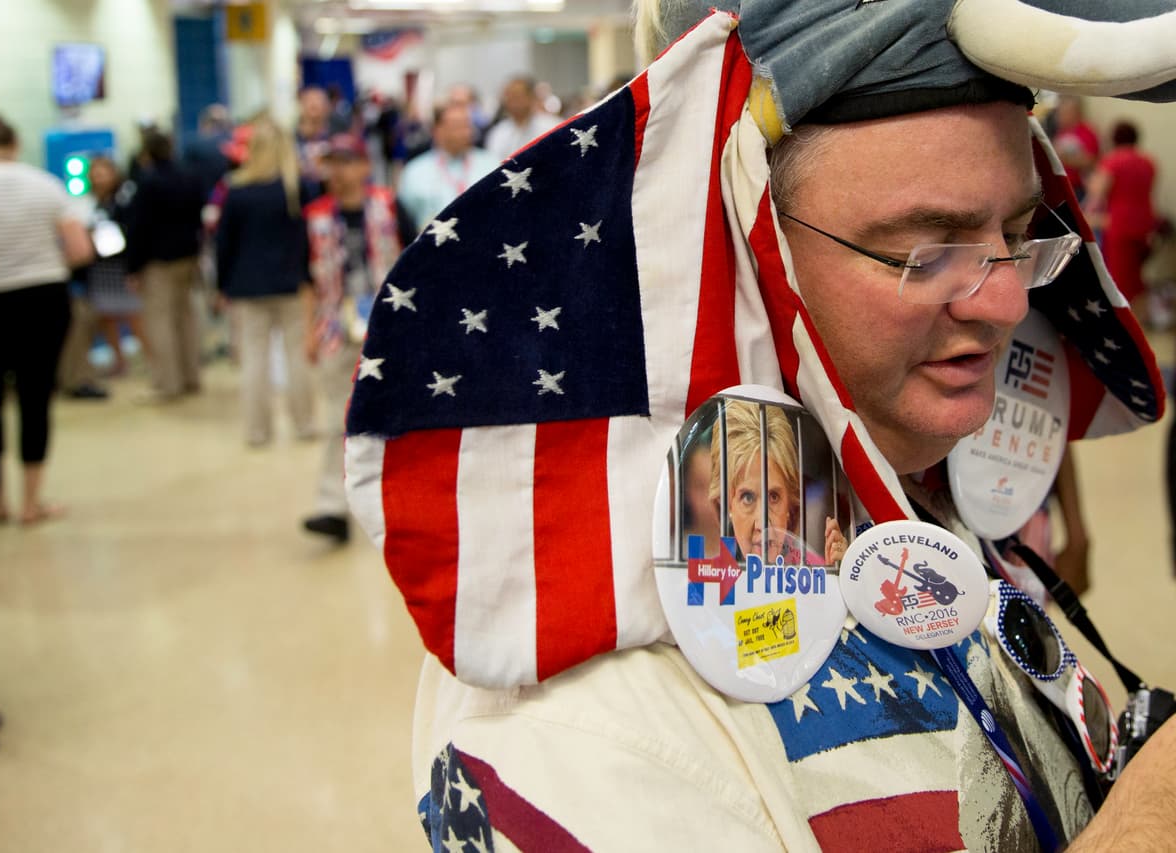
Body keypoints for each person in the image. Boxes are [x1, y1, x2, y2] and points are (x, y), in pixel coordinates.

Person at [346, 3, 1176, 850]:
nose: (1006, 302)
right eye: (924, 252)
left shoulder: (913, 484)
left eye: (1019, 233)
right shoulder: (579, 719)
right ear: (750, 240)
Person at [0, 109, 94, 525]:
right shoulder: (47, 187)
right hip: (44, 300)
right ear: (15, 144)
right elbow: (80, 249)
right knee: (35, 398)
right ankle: (32, 501)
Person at [301, 132, 418, 541]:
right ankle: (332, 507)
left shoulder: (387, 206)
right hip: (336, 326)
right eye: (332, 162)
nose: (340, 171)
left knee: (394, 417)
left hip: (388, 326)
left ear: (365, 166)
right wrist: (309, 332)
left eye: (348, 161)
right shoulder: (314, 215)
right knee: (338, 418)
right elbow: (305, 279)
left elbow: (414, 260)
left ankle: (400, 504)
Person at [215, 118, 317, 447]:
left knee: (254, 361)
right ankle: (304, 424)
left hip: (247, 285)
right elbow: (308, 240)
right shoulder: (294, 190)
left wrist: (222, 285)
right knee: (297, 358)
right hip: (290, 284)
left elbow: (224, 243)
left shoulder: (237, 191)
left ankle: (258, 432)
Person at [709, 401, 847, 566]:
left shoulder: (816, 573)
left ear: (790, 505)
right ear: (727, 505)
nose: (763, 525)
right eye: (747, 497)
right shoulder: (706, 582)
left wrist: (840, 577)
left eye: (773, 497)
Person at [125, 129, 206, 402]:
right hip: (188, 256)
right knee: (186, 317)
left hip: (157, 261)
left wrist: (132, 267)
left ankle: (169, 383)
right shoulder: (190, 176)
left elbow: (139, 227)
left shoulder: (147, 182)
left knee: (160, 322)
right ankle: (191, 376)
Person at [1085, 121, 1160, 309]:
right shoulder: (1148, 162)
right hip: (1145, 222)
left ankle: (1126, 321)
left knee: (1119, 279)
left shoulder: (1113, 161)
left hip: (1121, 224)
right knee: (1136, 276)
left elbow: (1099, 191)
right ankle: (1140, 320)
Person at [85, 156, 147, 377]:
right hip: (102, 266)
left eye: (103, 172)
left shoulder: (124, 198)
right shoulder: (93, 202)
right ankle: (119, 361)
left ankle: (150, 358)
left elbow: (132, 230)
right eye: (96, 173)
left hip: (122, 264)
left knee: (133, 314)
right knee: (107, 316)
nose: (99, 178)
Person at [396, 102, 500, 231]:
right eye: (457, 126)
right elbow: (405, 222)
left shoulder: (491, 164)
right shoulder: (414, 172)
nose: (466, 133)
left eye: (467, 125)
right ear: (437, 131)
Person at [484, 76, 563, 162]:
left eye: (517, 96)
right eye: (509, 96)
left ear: (531, 97)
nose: (513, 102)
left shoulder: (553, 126)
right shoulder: (499, 132)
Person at [1050, 95, 1100, 201]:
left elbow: (1091, 160)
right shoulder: (1061, 132)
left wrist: (1063, 158)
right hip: (1061, 187)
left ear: (1075, 112)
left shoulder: (1086, 133)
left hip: (1078, 188)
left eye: (1064, 113)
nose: (1059, 116)